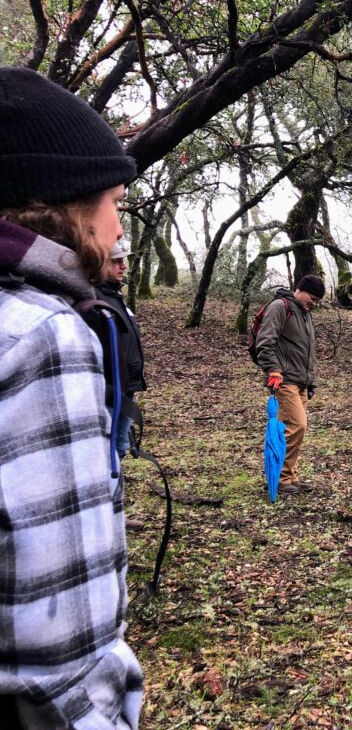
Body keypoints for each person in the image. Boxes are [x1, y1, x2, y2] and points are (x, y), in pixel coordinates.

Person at [0, 68, 142, 728]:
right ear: (61, 204)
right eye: (112, 201)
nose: (117, 229)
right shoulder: (44, 337)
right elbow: (68, 657)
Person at [255, 275, 323, 495]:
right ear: (300, 290)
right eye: (312, 297)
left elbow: (307, 351)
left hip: (301, 382)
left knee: (295, 430)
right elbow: (265, 342)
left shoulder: (304, 314)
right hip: (284, 380)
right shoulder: (280, 307)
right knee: (297, 426)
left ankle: (290, 476)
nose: (314, 303)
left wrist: (310, 382)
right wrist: (273, 370)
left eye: (318, 300)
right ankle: (281, 478)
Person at [96, 239, 147, 459]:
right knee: (109, 451)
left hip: (126, 390)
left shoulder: (115, 297)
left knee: (120, 446)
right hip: (109, 395)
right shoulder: (95, 298)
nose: (123, 266)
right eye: (116, 261)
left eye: (123, 261)